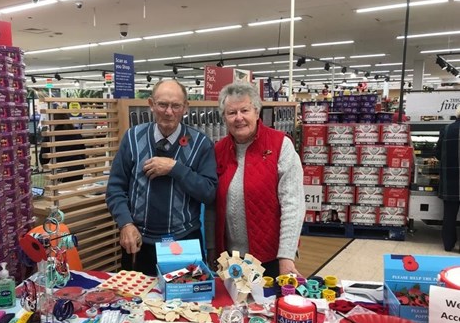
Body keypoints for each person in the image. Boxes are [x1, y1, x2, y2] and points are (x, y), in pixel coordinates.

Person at [106, 80, 218, 276]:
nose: (169, 112)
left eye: (175, 105)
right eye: (162, 104)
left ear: (185, 108)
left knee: (186, 304)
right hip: (139, 243)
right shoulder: (132, 138)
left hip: (183, 244)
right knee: (135, 304)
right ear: (151, 104)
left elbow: (209, 192)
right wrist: (125, 223)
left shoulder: (201, 144)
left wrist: (175, 168)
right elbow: (115, 188)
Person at [207, 82, 305, 278]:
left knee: (267, 307)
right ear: (224, 117)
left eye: (245, 110)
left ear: (257, 112)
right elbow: (211, 204)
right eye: (231, 112)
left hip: (270, 257)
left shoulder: (280, 145)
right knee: (230, 307)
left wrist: (286, 256)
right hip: (229, 258)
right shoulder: (218, 150)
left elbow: (293, 204)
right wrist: (211, 248)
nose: (239, 118)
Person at [435, 107, 460, 252]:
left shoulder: (446, 129)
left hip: (450, 181)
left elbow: (437, 154)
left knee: (449, 215)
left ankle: (448, 244)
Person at [40, 113, 86, 183]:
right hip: (78, 169)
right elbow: (83, 154)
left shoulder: (51, 136)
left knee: (63, 192)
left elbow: (43, 160)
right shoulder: (77, 134)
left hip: (61, 171)